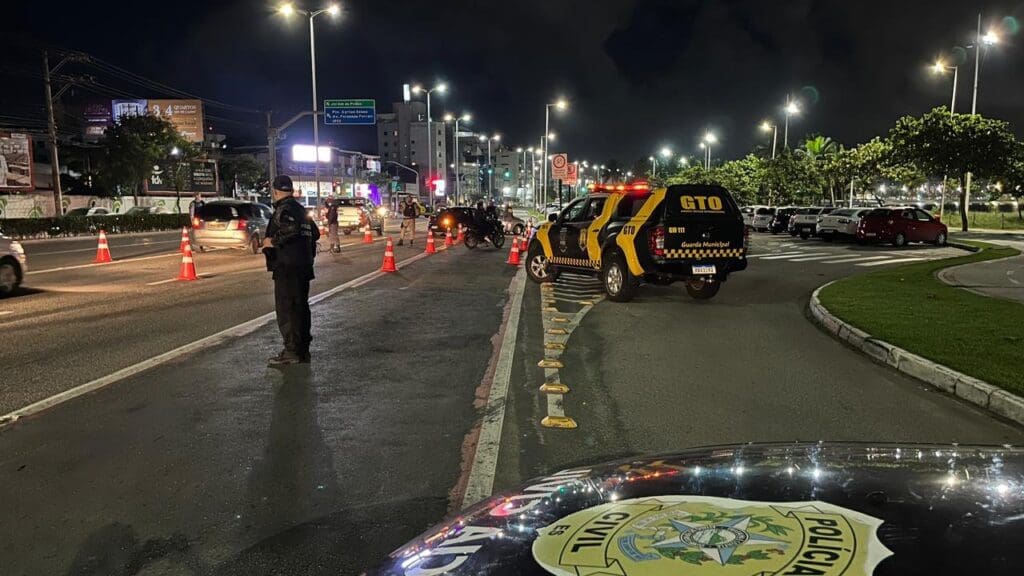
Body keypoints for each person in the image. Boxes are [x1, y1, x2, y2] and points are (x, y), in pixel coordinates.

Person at [263, 175, 317, 366]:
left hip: (287, 267)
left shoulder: (284, 210)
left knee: (288, 311)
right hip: (303, 267)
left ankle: (292, 352)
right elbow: (315, 233)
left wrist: (272, 241)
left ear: (276, 191)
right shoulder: (301, 210)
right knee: (301, 308)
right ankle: (302, 350)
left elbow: (292, 229)